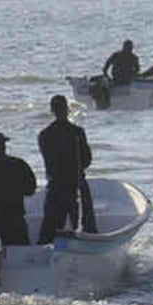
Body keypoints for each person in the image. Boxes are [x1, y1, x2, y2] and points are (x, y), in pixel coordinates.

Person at [37, 95, 97, 244]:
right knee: (86, 223)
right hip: (74, 182)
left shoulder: (45, 135)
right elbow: (87, 159)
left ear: (52, 111)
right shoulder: (77, 132)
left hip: (57, 184)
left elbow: (48, 161)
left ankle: (48, 248)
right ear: (67, 110)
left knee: (50, 227)